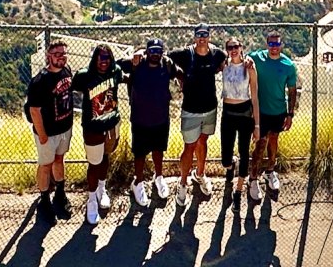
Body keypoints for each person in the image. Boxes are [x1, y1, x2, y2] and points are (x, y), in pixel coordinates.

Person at [117, 38, 181, 208]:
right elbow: (115, 65)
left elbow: (180, 73)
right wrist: (133, 58)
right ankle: (137, 182)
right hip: (140, 119)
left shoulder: (166, 64)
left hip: (161, 118)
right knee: (140, 154)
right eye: (152, 51)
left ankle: (158, 177)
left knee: (159, 150)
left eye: (158, 51)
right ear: (146, 52)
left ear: (162, 52)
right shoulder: (136, 64)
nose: (155, 54)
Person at [168, 24, 227, 206]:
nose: (202, 38)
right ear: (194, 37)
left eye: (205, 34)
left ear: (209, 36)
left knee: (203, 142)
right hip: (191, 109)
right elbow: (165, 58)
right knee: (189, 147)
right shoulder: (186, 54)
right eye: (199, 35)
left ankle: (200, 174)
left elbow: (223, 64)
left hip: (210, 108)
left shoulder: (217, 54)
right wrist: (179, 75)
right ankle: (183, 182)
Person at [71, 43, 124, 225]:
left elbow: (126, 74)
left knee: (105, 156)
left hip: (111, 123)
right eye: (101, 58)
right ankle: (92, 198)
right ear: (95, 59)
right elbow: (72, 88)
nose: (104, 62)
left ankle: (102, 188)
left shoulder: (115, 71)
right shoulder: (84, 76)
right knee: (94, 163)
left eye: (107, 58)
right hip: (92, 126)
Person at [248, 29, 300, 201]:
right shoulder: (258, 58)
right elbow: (242, 58)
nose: (274, 47)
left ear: (281, 45)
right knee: (260, 144)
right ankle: (253, 178)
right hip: (261, 112)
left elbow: (292, 92)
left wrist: (290, 114)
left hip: (278, 111)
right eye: (271, 44)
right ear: (267, 44)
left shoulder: (288, 65)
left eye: (277, 44)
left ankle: (270, 171)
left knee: (274, 141)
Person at [27, 39, 73, 221]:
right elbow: (34, 110)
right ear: (49, 56)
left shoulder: (67, 71)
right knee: (45, 165)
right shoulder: (40, 81)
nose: (61, 57)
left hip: (64, 128)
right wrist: (43, 135)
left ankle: (60, 194)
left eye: (63, 54)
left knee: (59, 159)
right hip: (48, 132)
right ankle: (44, 200)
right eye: (57, 54)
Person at [219, 36, 260, 204]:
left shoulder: (249, 67)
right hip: (228, 113)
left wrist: (257, 125)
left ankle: (238, 190)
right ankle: (230, 166)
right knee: (225, 157)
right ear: (227, 50)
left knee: (244, 153)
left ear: (241, 47)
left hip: (245, 113)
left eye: (236, 46)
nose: (233, 50)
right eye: (230, 47)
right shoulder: (224, 65)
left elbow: (255, 97)